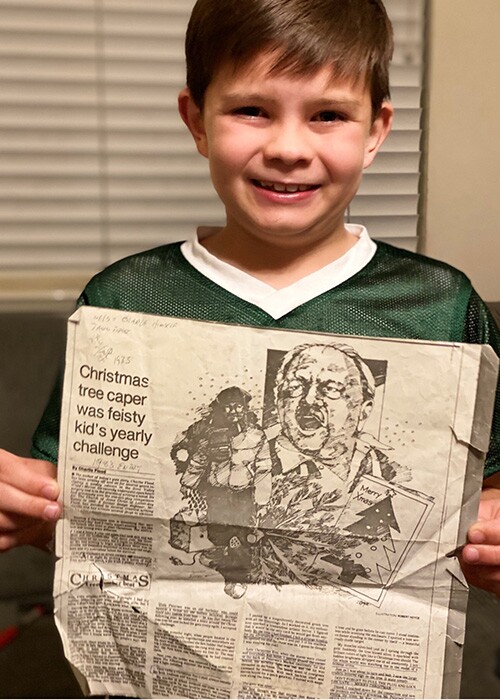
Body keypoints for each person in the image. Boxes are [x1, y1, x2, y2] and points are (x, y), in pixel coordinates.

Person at [1, 0, 500, 597]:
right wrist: (26, 512)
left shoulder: (442, 305)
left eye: (329, 115)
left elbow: (485, 492)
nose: (289, 148)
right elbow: (75, 510)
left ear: (376, 131)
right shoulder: (123, 298)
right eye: (252, 110)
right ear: (198, 122)